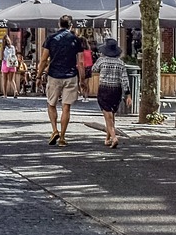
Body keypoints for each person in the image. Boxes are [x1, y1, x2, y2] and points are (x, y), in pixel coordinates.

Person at [37, 14, 86, 146]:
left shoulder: (51, 39)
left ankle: (54, 130)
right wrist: (82, 80)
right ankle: (63, 137)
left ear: (59, 24)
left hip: (54, 75)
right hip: (70, 76)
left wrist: (38, 75)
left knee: (51, 104)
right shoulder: (76, 40)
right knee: (66, 107)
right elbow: (80, 62)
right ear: (71, 26)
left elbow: (43, 60)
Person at [94, 38, 128, 148]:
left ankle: (114, 138)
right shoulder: (121, 63)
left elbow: (94, 69)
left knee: (107, 115)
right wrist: (128, 94)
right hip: (116, 90)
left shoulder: (101, 60)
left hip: (104, 89)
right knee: (112, 114)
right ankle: (107, 138)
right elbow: (125, 80)